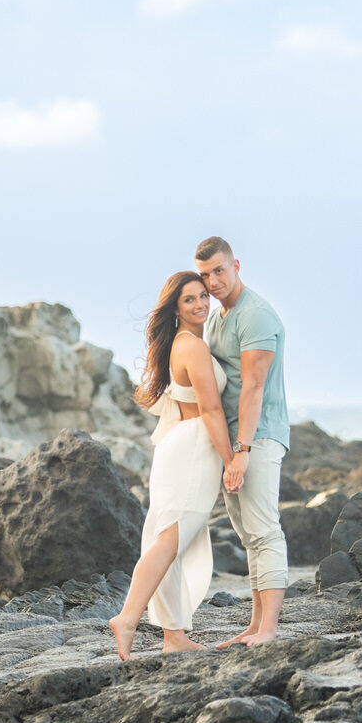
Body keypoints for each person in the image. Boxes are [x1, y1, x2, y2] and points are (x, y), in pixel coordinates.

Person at [109, 271, 236, 660]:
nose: (200, 304)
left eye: (203, 297)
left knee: (172, 538)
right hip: (194, 447)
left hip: (178, 443)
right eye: (189, 300)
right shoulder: (192, 348)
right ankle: (128, 617)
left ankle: (173, 635)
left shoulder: (184, 343)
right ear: (176, 309)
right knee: (172, 539)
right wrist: (232, 460)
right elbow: (212, 410)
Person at [194, 237, 290, 647]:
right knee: (249, 535)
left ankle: (268, 630)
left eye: (218, 270)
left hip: (259, 437)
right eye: (204, 275)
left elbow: (253, 386)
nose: (212, 281)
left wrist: (243, 452)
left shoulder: (256, 316)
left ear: (235, 265)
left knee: (265, 531)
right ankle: (254, 625)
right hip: (233, 443)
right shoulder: (218, 318)